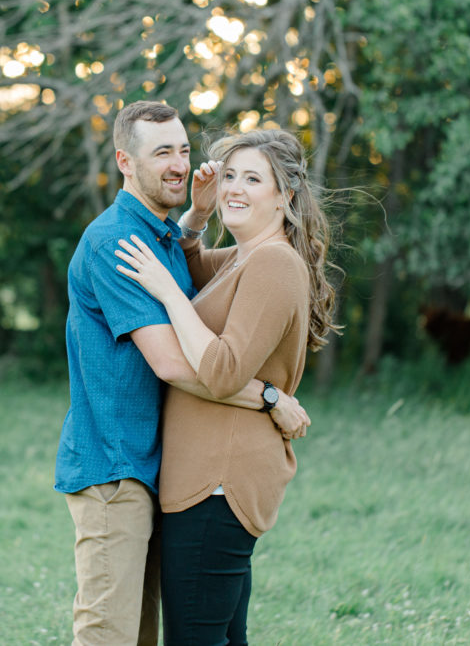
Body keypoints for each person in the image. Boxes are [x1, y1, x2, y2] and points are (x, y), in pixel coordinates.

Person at [54, 102, 311, 646]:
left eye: (183, 150)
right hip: (115, 465)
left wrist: (193, 218)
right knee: (108, 635)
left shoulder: (168, 239)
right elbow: (174, 362)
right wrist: (266, 397)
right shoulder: (118, 242)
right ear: (126, 161)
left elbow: (196, 277)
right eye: (160, 152)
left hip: (161, 470)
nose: (177, 164)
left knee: (147, 635)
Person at [115, 127, 340, 644]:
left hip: (219, 483)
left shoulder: (274, 264)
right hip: (211, 479)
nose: (234, 188)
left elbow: (221, 370)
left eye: (252, 179)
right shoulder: (245, 257)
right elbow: (191, 261)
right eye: (230, 175)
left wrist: (168, 295)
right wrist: (196, 214)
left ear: (285, 196)